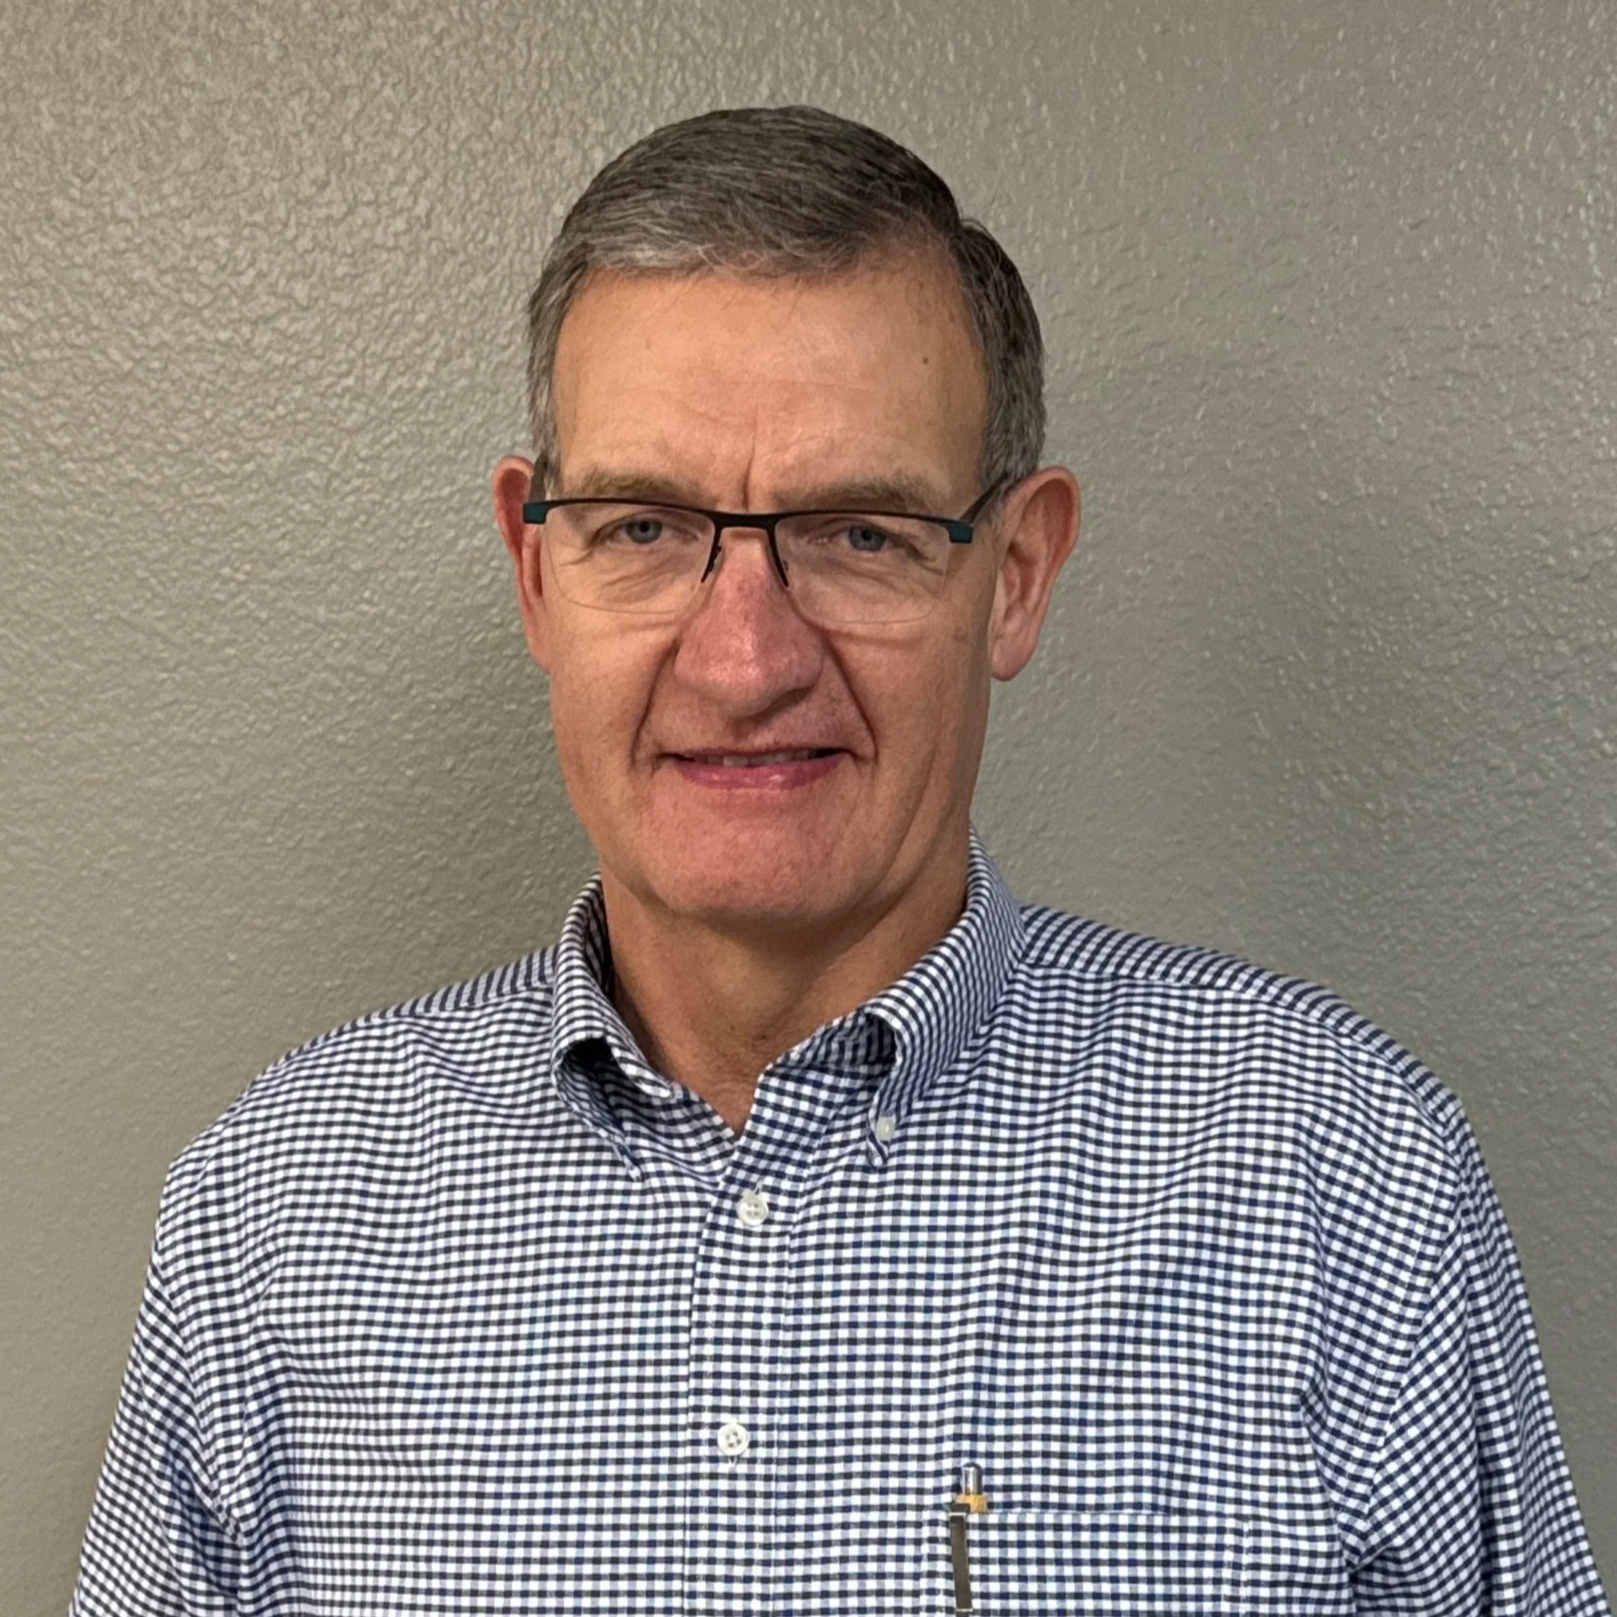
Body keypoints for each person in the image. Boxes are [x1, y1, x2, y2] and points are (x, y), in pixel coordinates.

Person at [72, 106, 1609, 1616]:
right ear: (539, 570)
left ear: (1015, 576)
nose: (745, 661)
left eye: (861, 532)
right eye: (643, 528)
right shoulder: (279, 1210)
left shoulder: (1338, 1180)